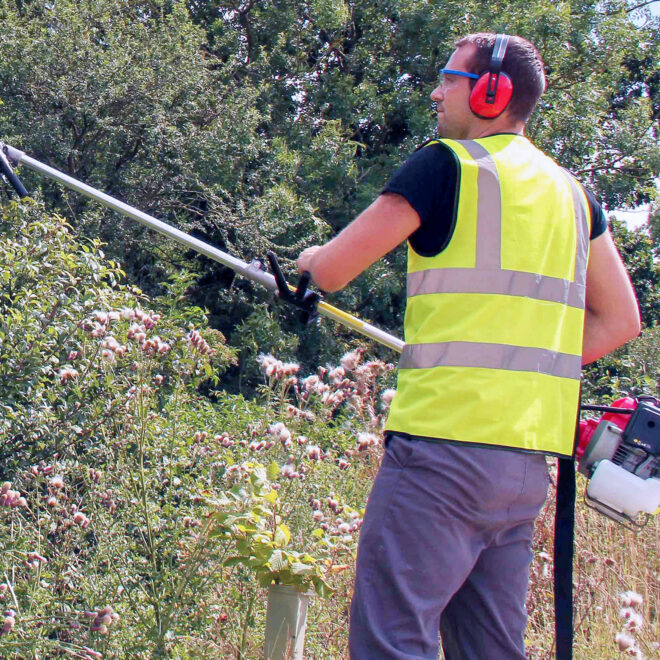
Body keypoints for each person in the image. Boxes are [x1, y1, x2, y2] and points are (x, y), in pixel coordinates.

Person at [297, 33, 640, 660]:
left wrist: (303, 265)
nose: (435, 91)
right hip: (523, 469)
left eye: (448, 78)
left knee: (391, 642)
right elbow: (620, 320)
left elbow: (332, 271)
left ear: (491, 91)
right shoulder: (575, 195)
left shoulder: (447, 166)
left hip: (440, 455)